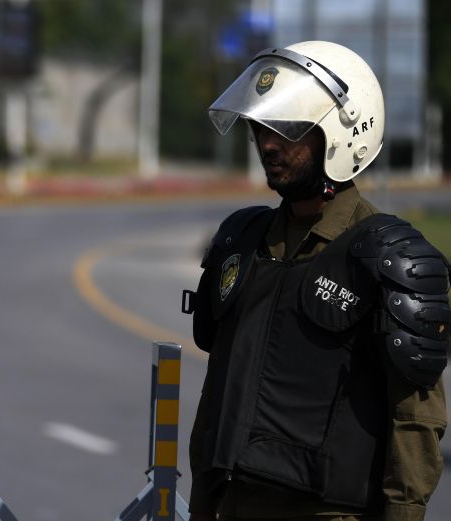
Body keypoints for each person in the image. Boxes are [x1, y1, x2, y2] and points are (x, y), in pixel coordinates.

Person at [183, 41, 449, 521]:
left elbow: (415, 421)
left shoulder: (389, 259)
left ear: (341, 136)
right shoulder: (243, 241)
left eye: (287, 129)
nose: (268, 144)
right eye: (262, 128)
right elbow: (216, 396)